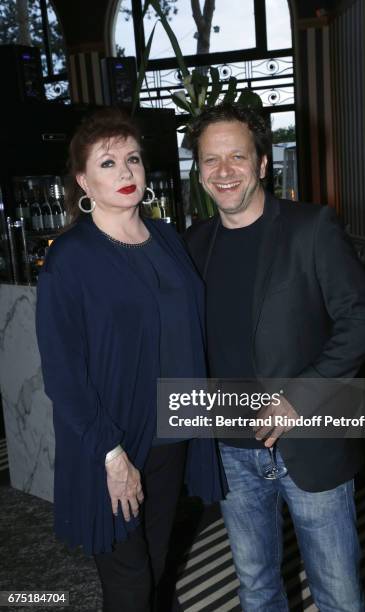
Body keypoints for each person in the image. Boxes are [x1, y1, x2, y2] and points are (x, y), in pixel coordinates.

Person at [184, 103, 365, 612]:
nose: (224, 171)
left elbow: (361, 319)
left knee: (338, 593)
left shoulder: (310, 226)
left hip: (308, 439)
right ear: (198, 171)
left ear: (263, 163)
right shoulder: (193, 244)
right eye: (210, 160)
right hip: (230, 448)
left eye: (237, 157)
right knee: (256, 587)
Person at [36, 107, 225, 612]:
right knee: (130, 582)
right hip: (111, 440)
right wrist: (110, 454)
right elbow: (63, 373)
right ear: (84, 181)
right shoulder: (71, 257)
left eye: (133, 159)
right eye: (108, 163)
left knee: (158, 565)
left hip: (171, 431)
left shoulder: (165, 237)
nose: (125, 172)